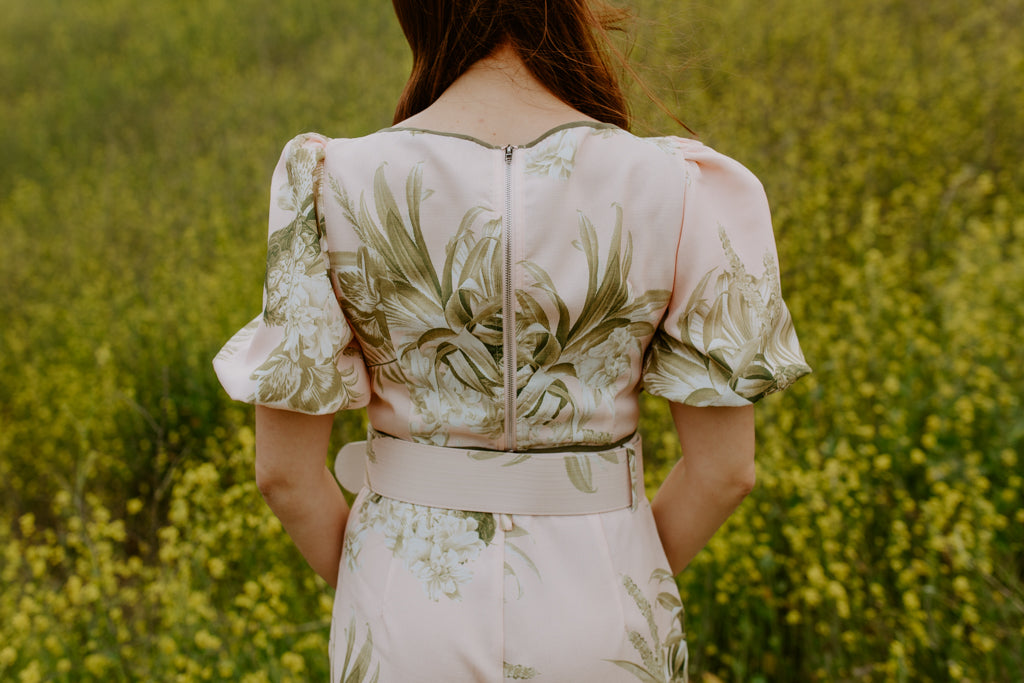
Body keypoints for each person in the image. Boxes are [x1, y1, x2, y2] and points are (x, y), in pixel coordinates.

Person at [213, 0, 811, 680]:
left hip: (405, 610)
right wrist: (624, 570)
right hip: (605, 605)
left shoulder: (328, 180)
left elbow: (284, 474)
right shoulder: (682, 185)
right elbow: (724, 472)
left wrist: (379, 578)